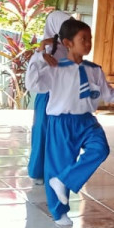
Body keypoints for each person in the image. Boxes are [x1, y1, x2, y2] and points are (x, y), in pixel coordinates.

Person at [26, 19, 114, 227]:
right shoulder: (55, 67)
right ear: (68, 43)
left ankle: (66, 180)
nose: (88, 43)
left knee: (100, 149)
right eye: (83, 39)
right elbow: (33, 84)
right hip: (61, 122)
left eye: (90, 39)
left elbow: (110, 94)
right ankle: (59, 212)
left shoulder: (94, 70)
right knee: (58, 165)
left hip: (87, 121)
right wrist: (38, 57)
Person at [27, 10, 72, 185]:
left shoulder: (69, 47)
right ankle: (38, 171)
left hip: (63, 97)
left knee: (58, 135)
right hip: (47, 96)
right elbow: (36, 74)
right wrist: (41, 52)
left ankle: (55, 171)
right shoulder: (47, 48)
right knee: (42, 132)